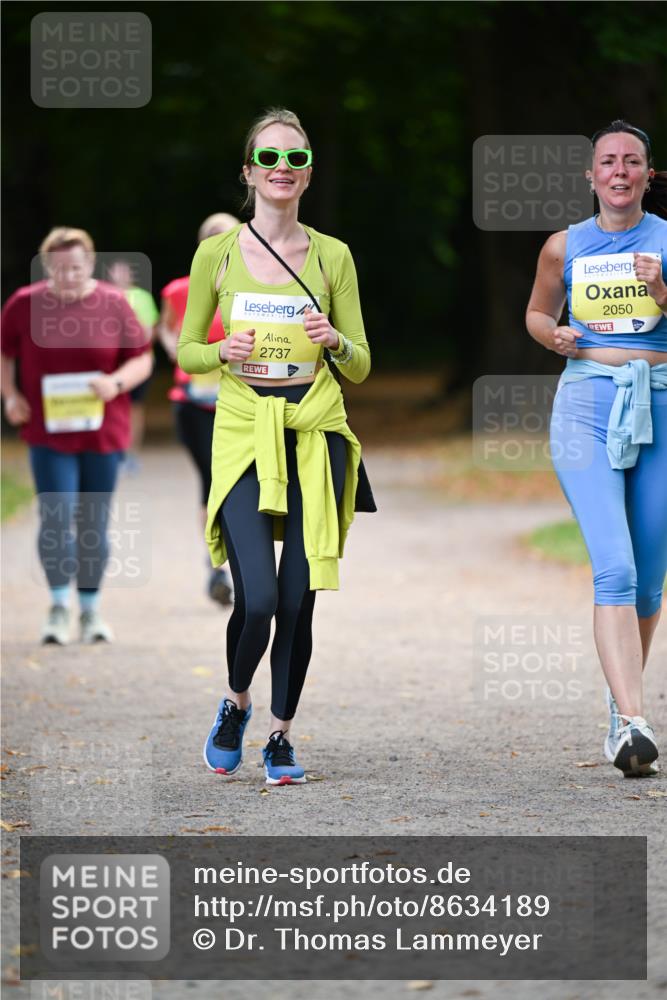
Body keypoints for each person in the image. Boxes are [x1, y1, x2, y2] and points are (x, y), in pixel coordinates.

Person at [177, 108, 371, 784]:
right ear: (248, 172)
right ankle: (235, 704)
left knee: (296, 601)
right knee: (256, 597)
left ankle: (281, 736)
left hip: (314, 433)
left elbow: (360, 364)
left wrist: (334, 341)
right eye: (269, 158)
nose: (282, 168)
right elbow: (187, 351)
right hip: (241, 432)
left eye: (295, 158)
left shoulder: (333, 255)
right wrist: (220, 351)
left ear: (308, 173)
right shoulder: (217, 254)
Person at [526, 121, 667, 776]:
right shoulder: (564, 246)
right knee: (615, 568)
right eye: (607, 162)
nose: (619, 172)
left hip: (658, 403)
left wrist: (662, 293)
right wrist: (551, 335)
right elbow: (536, 312)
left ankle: (619, 708)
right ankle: (635, 722)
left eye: (631, 162)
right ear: (590, 176)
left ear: (647, 174)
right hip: (584, 406)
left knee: (648, 578)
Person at [0, 227, 152, 644]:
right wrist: (10, 395)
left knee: (92, 523)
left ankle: (90, 610)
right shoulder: (24, 304)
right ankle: (57, 606)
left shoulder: (114, 303)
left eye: (77, 268)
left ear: (91, 265)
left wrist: (115, 383)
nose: (68, 276)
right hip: (48, 433)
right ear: (47, 267)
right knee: (55, 517)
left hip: (103, 432)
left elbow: (142, 359)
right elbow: (4, 352)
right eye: (60, 268)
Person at [158, 213, 239, 607]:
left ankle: (237, 563)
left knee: (240, 482)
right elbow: (165, 327)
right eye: (213, 239)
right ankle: (217, 567)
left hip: (240, 403)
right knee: (213, 481)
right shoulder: (179, 290)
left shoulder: (254, 290)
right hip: (193, 403)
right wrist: (172, 345)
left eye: (229, 238)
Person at [107, 259, 160, 474]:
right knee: (111, 409)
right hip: (111, 364)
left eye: (124, 272)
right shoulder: (105, 296)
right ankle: (113, 452)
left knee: (134, 410)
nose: (120, 276)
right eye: (116, 272)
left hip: (137, 362)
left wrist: (132, 353)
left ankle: (130, 455)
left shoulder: (141, 297)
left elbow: (149, 330)